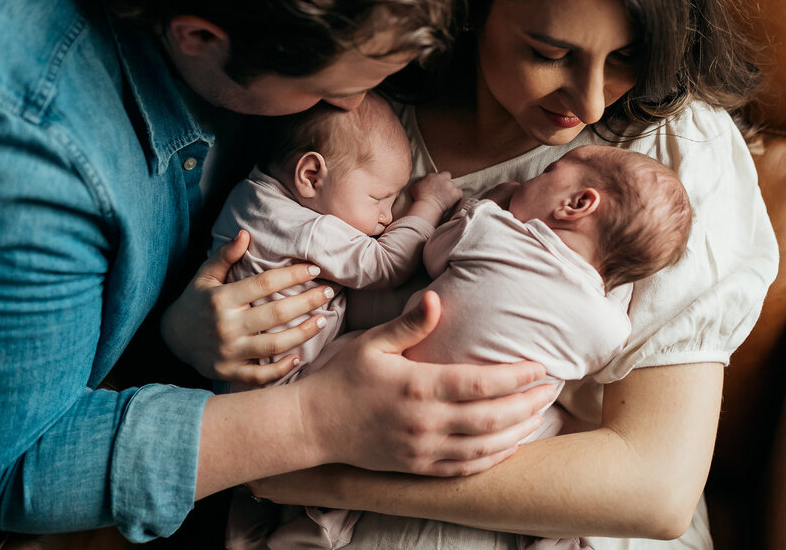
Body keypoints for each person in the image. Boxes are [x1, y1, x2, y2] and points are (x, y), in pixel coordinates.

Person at [0, 0, 556, 543]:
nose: (353, 108)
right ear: (199, 37)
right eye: (327, 90)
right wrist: (318, 419)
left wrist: (181, 330)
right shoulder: (32, 154)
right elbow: (9, 468)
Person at [244, 0, 779, 548]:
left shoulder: (676, 156)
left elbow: (655, 486)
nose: (586, 102)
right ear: (471, 1)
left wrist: (311, 466)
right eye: (549, 52)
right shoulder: (358, 117)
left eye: (627, 56)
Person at [261, 144, 693, 550]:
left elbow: (433, 254)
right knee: (553, 422)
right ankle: (552, 537)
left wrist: (493, 200)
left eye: (547, 173)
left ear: (577, 203)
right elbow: (593, 355)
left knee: (344, 353)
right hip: (488, 435)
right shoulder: (609, 325)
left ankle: (321, 517)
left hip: (392, 384)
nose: (529, 181)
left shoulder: (491, 227)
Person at [211, 94, 462, 388]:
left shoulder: (247, 198)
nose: (388, 217)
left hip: (233, 379)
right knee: (382, 347)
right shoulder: (308, 229)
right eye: (379, 199)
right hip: (289, 381)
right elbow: (387, 264)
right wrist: (430, 203)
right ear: (311, 175)